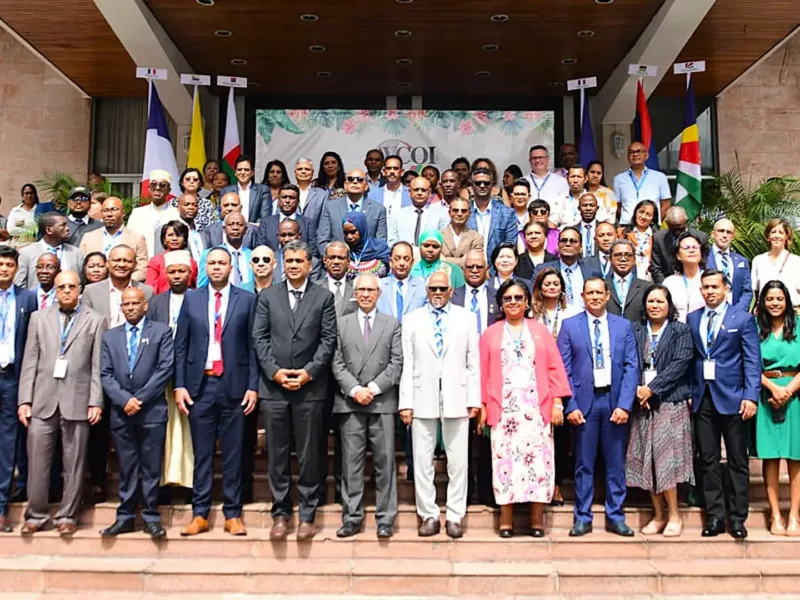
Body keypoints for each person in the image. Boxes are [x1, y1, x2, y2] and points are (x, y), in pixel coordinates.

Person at [253, 240, 337, 541]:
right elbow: (259, 339)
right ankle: (280, 513)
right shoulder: (268, 296)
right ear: (282, 263)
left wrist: (307, 373)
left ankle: (307, 514)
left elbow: (328, 340)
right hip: (274, 389)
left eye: (299, 261)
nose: (293, 266)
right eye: (288, 261)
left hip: (309, 389)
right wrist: (275, 372)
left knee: (309, 454)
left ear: (310, 264)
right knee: (276, 455)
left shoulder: (323, 297)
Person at [174, 248, 258, 537]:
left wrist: (252, 386)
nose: (217, 267)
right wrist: (179, 384)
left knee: (234, 454)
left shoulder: (246, 300)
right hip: (200, 387)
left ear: (231, 266)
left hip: (234, 387)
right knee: (203, 453)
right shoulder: (192, 299)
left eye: (222, 263)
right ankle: (200, 514)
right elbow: (181, 345)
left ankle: (233, 514)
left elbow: (253, 347)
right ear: (205, 267)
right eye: (212, 263)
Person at [478, 279, 570, 537]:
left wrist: (558, 402)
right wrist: (483, 406)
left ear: (527, 301)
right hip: (504, 410)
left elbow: (554, 368)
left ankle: (536, 520)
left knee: (538, 465)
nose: (513, 302)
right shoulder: (491, 334)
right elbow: (482, 373)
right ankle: (505, 520)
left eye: (518, 298)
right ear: (501, 304)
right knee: (505, 463)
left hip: (536, 409)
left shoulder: (539, 330)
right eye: (508, 299)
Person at [17, 270, 105, 535]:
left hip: (78, 400)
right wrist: (25, 399)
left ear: (80, 289)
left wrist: (96, 401)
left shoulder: (96, 320)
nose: (66, 291)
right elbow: (30, 361)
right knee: (37, 462)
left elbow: (98, 365)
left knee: (75, 462)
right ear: (54, 290)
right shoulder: (38, 318)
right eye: (61, 287)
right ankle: (36, 514)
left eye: (71, 286)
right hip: (43, 400)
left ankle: (68, 515)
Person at [399, 271, 480, 538]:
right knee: (422, 461)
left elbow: (473, 364)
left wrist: (473, 399)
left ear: (450, 290)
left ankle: (455, 515)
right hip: (422, 396)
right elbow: (407, 364)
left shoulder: (466, 318)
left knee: (458, 461)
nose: (437, 292)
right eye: (432, 288)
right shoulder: (411, 320)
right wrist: (406, 403)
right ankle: (429, 514)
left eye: (442, 288)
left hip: (457, 396)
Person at [558, 277, 639, 537]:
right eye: (589, 293)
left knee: (615, 463)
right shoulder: (570, 326)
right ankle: (582, 517)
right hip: (585, 404)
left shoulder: (623, 326)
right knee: (583, 463)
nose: (594, 297)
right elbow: (563, 369)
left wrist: (625, 405)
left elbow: (631, 367)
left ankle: (616, 515)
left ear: (607, 296)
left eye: (599, 293)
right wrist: (570, 405)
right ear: (582, 296)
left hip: (614, 402)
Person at [688, 269, 761, 539]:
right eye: (705, 287)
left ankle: (738, 518)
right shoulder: (693, 318)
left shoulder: (742, 319)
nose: (710, 291)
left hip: (734, 398)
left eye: (714, 287)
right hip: (702, 399)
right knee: (707, 460)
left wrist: (750, 396)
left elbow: (752, 361)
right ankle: (715, 517)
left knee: (737, 461)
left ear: (726, 288)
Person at [331, 273, 403, 538]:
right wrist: (354, 389)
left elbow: (397, 363)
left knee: (385, 463)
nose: (364, 294)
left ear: (379, 293)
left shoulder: (392, 324)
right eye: (360, 289)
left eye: (370, 290)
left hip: (381, 402)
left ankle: (385, 518)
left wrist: (372, 388)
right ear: (354, 292)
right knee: (351, 464)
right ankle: (351, 517)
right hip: (350, 403)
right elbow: (335, 362)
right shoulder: (341, 324)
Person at [82, 244, 154, 502]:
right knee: (98, 427)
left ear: (135, 264)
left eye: (127, 260)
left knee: (135, 432)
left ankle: (139, 487)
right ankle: (98, 480)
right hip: (100, 362)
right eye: (117, 260)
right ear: (108, 263)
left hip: (135, 367)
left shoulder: (146, 291)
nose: (122, 264)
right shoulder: (91, 291)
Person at [99, 288, 173, 539]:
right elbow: (105, 375)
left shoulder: (162, 332)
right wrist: (124, 400)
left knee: (151, 467)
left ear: (145, 305)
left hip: (151, 411)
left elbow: (165, 369)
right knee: (127, 467)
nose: (130, 307)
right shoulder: (110, 337)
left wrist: (138, 399)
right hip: (122, 414)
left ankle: (151, 516)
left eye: (135, 303)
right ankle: (125, 516)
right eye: (126, 303)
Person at [626, 285, 695, 537]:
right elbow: (629, 361)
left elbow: (680, 364)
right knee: (648, 458)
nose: (655, 305)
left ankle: (674, 515)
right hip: (641, 404)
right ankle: (657, 514)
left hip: (669, 402)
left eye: (660, 301)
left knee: (667, 459)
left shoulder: (681, 331)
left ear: (669, 306)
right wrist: (637, 390)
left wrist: (652, 389)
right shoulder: (635, 330)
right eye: (651, 301)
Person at [146, 250, 194, 504]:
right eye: (172, 271)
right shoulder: (155, 302)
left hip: (189, 377)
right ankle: (162, 483)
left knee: (185, 433)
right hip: (160, 377)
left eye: (181, 271)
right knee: (163, 431)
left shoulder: (198, 299)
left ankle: (187, 483)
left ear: (190, 273)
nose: (177, 276)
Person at [532, 267, 582, 506]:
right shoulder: (531, 313)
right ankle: (539, 482)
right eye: (547, 283)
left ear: (562, 287)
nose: (552, 287)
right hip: (536, 377)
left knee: (561, 436)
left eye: (556, 283)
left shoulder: (572, 313)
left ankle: (557, 485)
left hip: (565, 374)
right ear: (539, 287)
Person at [755, 281, 800, 536]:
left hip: (795, 394)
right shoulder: (755, 328)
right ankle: (775, 514)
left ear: (787, 301)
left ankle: (794, 514)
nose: (774, 303)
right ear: (763, 302)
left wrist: (787, 391)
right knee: (771, 456)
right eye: (770, 299)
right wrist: (773, 389)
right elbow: (750, 363)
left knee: (796, 457)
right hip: (766, 393)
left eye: (779, 299)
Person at [0, 247, 36, 531]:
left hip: (12, 377)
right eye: (0, 264)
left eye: (9, 265)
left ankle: (1, 507)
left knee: (8, 442)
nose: (3, 269)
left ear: (16, 269)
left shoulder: (28, 298)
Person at [317, 169, 388, 257]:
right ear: (345, 185)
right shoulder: (330, 207)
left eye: (360, 179)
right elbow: (322, 240)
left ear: (366, 186)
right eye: (350, 179)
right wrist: (333, 259)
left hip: (367, 264)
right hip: (336, 264)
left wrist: (364, 263)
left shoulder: (378, 209)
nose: (355, 182)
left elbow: (380, 243)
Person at [80, 197, 149, 281]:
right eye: (106, 210)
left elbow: (142, 269)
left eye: (114, 209)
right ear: (101, 213)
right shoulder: (88, 238)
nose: (109, 214)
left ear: (123, 213)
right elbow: (81, 266)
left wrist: (124, 282)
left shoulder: (137, 239)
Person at [535, 227, 601, 309]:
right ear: (558, 246)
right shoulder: (542, 270)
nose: (568, 244)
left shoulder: (592, 273)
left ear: (581, 248)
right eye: (564, 240)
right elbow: (535, 298)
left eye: (573, 241)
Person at [16, 212, 82, 289]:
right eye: (62, 225)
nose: (67, 228)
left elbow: (81, 282)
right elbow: (19, 285)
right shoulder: (26, 253)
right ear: (49, 230)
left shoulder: (76, 253)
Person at [612, 142, 672, 225]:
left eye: (639, 151)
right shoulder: (619, 179)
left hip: (651, 226)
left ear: (646, 155)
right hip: (627, 225)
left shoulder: (660, 177)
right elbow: (617, 206)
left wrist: (654, 221)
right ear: (628, 157)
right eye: (631, 152)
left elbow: (666, 204)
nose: (635, 154)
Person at [466, 168, 517, 265]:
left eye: (486, 183)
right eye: (478, 183)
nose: (482, 186)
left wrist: (494, 271)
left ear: (492, 185)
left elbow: (510, 246)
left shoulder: (507, 213)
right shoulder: (463, 212)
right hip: (469, 271)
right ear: (472, 185)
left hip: (498, 271)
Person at [126, 169, 179, 257]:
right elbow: (129, 241)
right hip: (142, 264)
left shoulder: (176, 213)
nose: (157, 188)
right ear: (149, 189)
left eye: (162, 185)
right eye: (154, 185)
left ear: (169, 190)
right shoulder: (137, 213)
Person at [651, 207, 708, 285]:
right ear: (667, 224)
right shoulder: (659, 238)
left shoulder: (701, 237)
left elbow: (705, 264)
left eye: (680, 228)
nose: (677, 232)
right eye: (673, 229)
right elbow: (656, 269)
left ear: (686, 221)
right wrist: (666, 289)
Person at [387, 176, 449, 248]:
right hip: (404, 257)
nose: (419, 193)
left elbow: (443, 242)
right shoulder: (397, 215)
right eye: (416, 190)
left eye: (423, 190)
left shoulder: (441, 214)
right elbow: (392, 242)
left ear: (429, 192)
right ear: (409, 192)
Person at [752, 218, 800, 309]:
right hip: (765, 314)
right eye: (773, 232)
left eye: (781, 233)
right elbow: (755, 292)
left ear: (786, 236)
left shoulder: (796, 261)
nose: (777, 236)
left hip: (792, 313)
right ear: (768, 236)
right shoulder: (758, 261)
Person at [706, 218, 753, 311]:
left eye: (728, 232)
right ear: (713, 234)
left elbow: (747, 291)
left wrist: (737, 313)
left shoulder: (742, 261)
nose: (724, 235)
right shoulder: (702, 258)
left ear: (732, 236)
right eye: (721, 231)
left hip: (735, 313)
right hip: (708, 312)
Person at [197, 213, 253, 289]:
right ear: (224, 229)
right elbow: (202, 287)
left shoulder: (253, 256)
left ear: (246, 230)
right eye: (231, 224)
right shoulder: (210, 254)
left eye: (239, 224)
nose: (235, 228)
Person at [256, 184, 315, 252]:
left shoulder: (308, 223)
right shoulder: (266, 223)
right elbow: (260, 249)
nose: (287, 201)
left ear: (298, 201)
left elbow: (313, 250)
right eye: (284, 197)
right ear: (278, 200)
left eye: (291, 198)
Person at [376, 242, 426, 321]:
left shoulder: (423, 287)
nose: (402, 263)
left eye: (406, 259)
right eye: (397, 258)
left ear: (412, 262)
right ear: (390, 262)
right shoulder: (378, 286)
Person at [663, 231, 706, 323]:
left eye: (695, 247)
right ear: (678, 255)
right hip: (676, 332)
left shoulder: (710, 280)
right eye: (686, 248)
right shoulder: (669, 282)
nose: (691, 250)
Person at [146, 221, 199, 294]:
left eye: (178, 235)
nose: (174, 238)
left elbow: (195, 287)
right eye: (170, 235)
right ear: (164, 239)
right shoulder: (155, 261)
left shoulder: (191, 262)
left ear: (184, 239)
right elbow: (151, 289)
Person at [606, 240, 650, 323]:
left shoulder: (646, 287)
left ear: (634, 260)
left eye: (628, 255)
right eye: (618, 255)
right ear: (610, 259)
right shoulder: (601, 286)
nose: (623, 259)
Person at [220, 155, 272, 224]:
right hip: (231, 230)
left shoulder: (263, 190)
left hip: (255, 232)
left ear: (252, 173)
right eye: (239, 170)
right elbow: (223, 215)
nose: (243, 173)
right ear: (235, 172)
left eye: (246, 170)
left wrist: (248, 227)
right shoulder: (226, 191)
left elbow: (265, 217)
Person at [153, 193, 206, 260]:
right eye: (186, 204)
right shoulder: (167, 229)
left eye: (194, 205)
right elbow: (160, 258)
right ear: (178, 207)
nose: (191, 207)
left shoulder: (201, 230)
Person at [343, 212, 390, 280]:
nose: (349, 236)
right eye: (346, 233)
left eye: (353, 232)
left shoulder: (380, 248)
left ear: (362, 229)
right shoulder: (343, 251)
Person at [440, 198, 483, 269]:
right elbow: (436, 261)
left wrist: (445, 260)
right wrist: (462, 261)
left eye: (463, 211)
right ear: (449, 212)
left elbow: (474, 261)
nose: (459, 214)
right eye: (455, 210)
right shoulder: (438, 236)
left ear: (469, 214)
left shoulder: (477, 238)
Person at [621, 199, 658, 281]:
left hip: (650, 279)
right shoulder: (622, 233)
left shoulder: (657, 237)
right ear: (635, 213)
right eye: (641, 212)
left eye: (648, 214)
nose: (643, 216)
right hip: (628, 277)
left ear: (653, 218)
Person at [523, 145, 569, 211]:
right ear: (530, 161)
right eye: (534, 158)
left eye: (540, 157)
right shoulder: (522, 181)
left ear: (547, 159)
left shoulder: (561, 181)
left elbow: (565, 205)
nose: (537, 161)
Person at [365, 155, 410, 220]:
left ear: (402, 172)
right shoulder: (372, 195)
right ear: (383, 172)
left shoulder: (410, 194)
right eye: (389, 168)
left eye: (396, 168)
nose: (392, 171)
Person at [294, 158, 329, 234]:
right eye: (300, 169)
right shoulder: (287, 192)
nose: (303, 172)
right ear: (295, 172)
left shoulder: (322, 194)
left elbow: (324, 222)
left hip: (314, 239)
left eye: (307, 169)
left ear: (312, 172)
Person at [178, 167, 218, 231]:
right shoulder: (174, 203)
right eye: (188, 179)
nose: (191, 181)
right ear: (182, 182)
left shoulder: (207, 204)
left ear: (200, 183)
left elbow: (212, 227)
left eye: (195, 179)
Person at [574, 193, 601, 258]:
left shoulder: (604, 229)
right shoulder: (573, 230)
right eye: (585, 205)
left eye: (591, 205)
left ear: (597, 208)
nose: (588, 208)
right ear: (579, 208)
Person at [508, 179, 532, 249]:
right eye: (517, 194)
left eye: (523, 194)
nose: (520, 197)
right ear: (511, 196)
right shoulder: (505, 216)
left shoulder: (535, 215)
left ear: (529, 196)